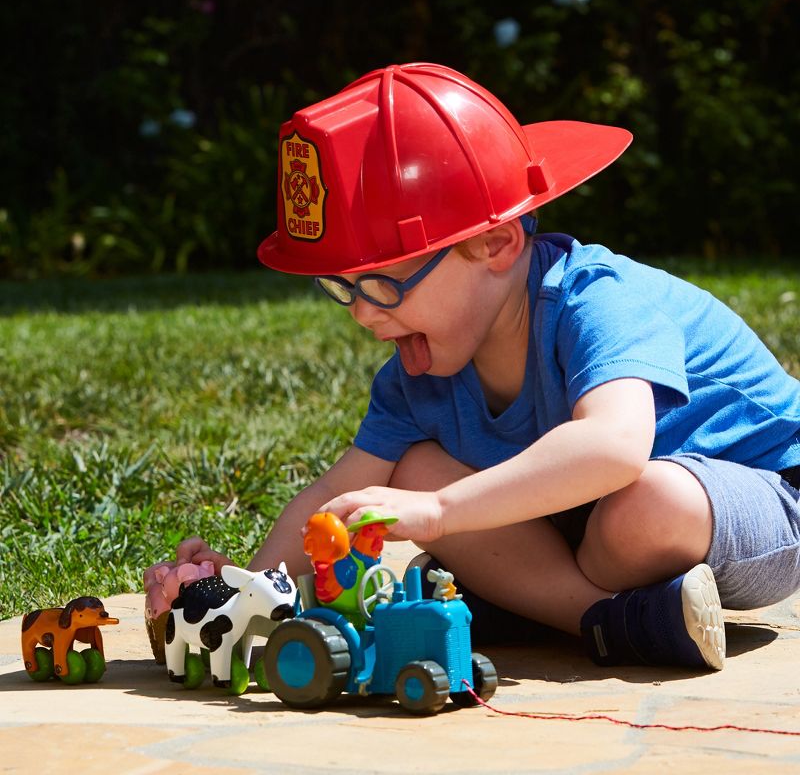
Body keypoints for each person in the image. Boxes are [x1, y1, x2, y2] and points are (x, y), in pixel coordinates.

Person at [163, 62, 800, 670]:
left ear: (495, 245)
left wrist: (441, 513)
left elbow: (614, 448)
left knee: (644, 504)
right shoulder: (418, 373)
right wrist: (243, 591)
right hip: (588, 527)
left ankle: (534, 603)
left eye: (383, 284)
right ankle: (616, 622)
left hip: (755, 500)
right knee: (409, 470)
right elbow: (333, 495)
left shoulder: (596, 297)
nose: (361, 313)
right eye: (344, 288)